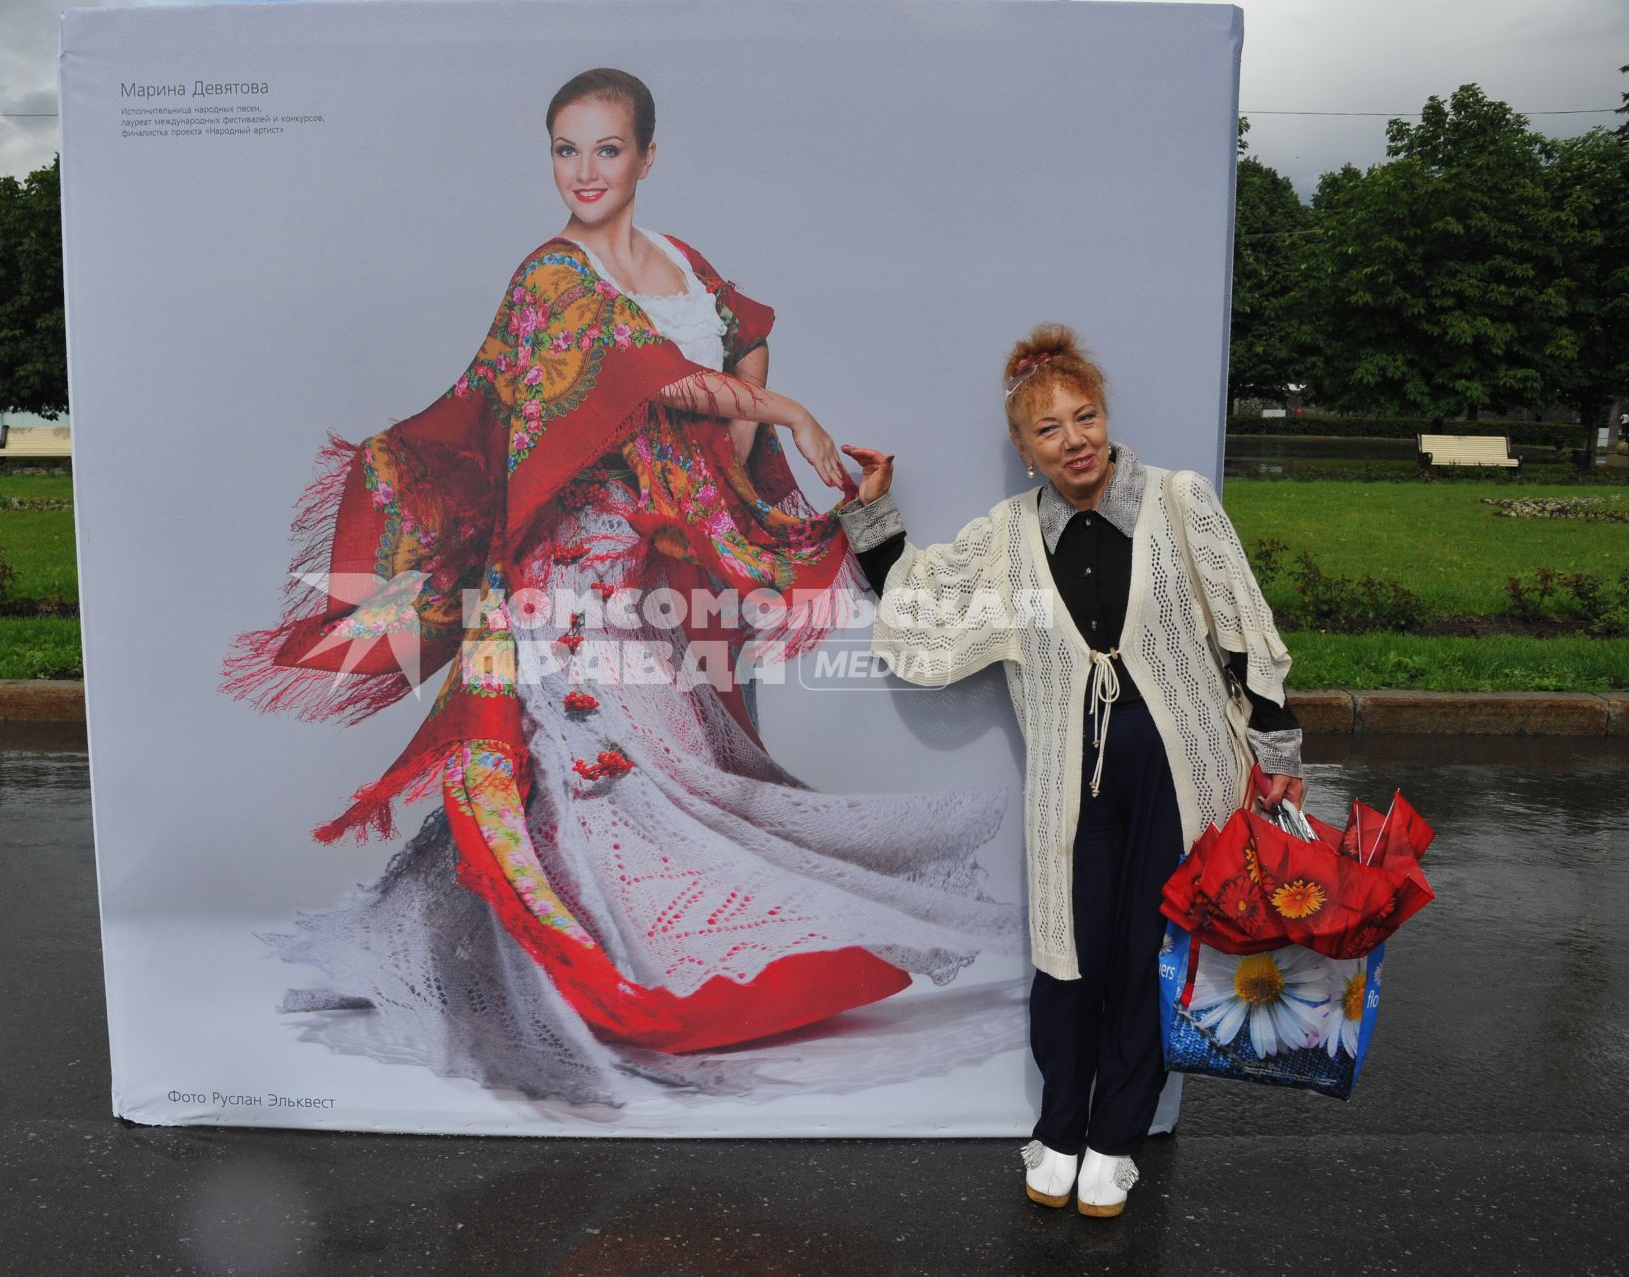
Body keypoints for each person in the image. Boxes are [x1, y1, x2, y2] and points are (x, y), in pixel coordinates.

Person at [223, 69, 1021, 1107]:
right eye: (565, 149)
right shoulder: (549, 278)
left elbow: (719, 460)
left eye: (606, 148)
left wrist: (824, 498)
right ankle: (585, 988)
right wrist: (787, 409)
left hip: (643, 589)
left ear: (648, 156)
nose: (585, 171)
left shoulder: (693, 276)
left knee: (677, 785)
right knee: (573, 781)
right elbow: (650, 379)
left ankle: (666, 976)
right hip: (553, 588)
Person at [838, 325, 1304, 1216]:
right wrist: (874, 512)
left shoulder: (1178, 501)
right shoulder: (1011, 537)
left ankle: (1117, 1135)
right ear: (1024, 451)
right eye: (1048, 430)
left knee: (1150, 950)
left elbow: (1242, 625)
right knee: (1070, 949)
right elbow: (928, 604)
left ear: (1106, 417)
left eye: (1084, 416)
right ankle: (1059, 1124)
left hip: (1184, 770)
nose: (1074, 439)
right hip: (1071, 779)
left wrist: (1277, 752)